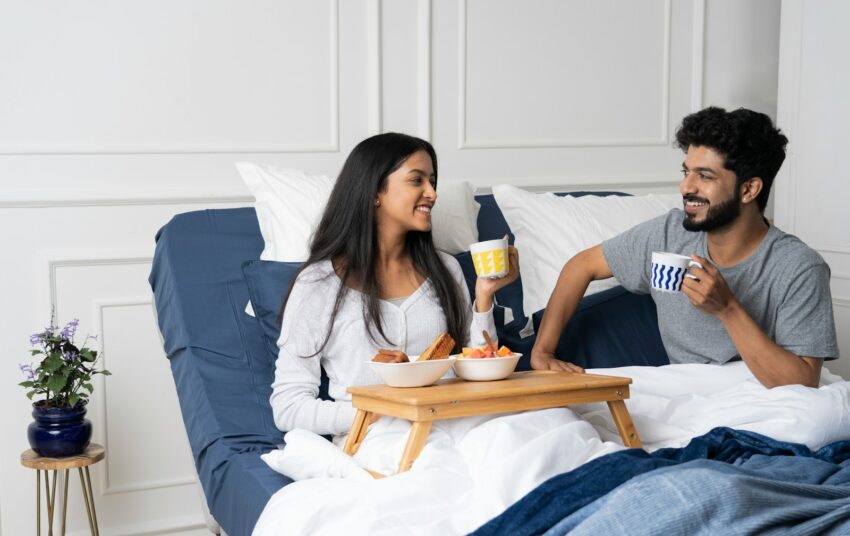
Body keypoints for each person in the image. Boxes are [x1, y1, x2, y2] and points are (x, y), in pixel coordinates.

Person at [531, 107, 838, 388]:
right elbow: (582, 265)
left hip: (760, 396)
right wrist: (542, 352)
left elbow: (803, 384)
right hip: (686, 394)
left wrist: (728, 309)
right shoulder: (668, 234)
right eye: (686, 172)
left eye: (704, 176)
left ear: (748, 189)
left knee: (820, 418)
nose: (686, 188)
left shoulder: (798, 267)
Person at [270, 132, 519, 436]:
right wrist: (385, 410)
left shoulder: (445, 270)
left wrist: (484, 298)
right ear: (375, 191)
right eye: (417, 181)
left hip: (460, 426)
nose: (432, 193)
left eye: (433, 181)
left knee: (546, 434)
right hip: (379, 440)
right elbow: (289, 407)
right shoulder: (318, 284)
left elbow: (476, 374)